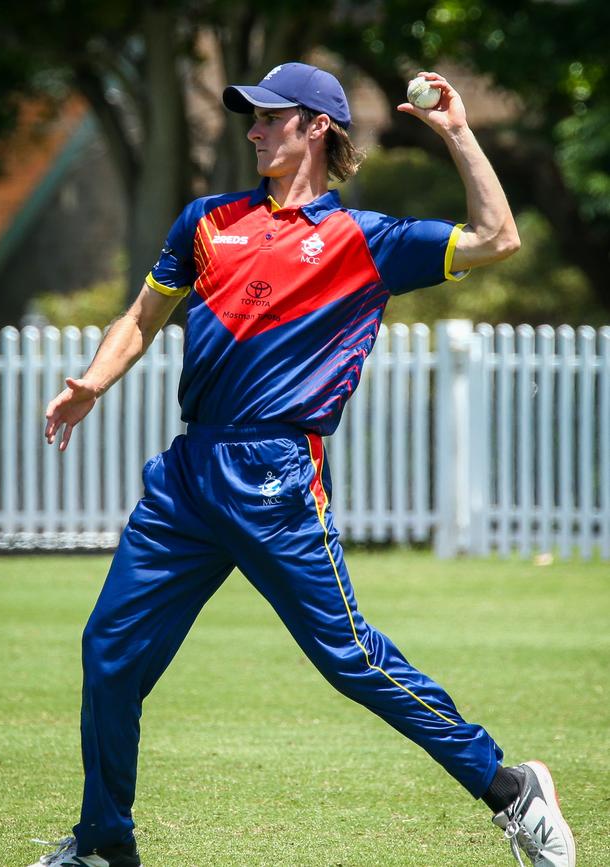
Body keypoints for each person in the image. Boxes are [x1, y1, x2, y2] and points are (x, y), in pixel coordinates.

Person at [34, 62, 575, 867]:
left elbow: (500, 238)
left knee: (350, 659)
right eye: (250, 117)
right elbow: (144, 315)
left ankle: (509, 787)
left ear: (317, 126)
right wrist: (93, 382)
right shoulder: (207, 222)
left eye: (270, 117)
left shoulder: (365, 241)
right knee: (108, 653)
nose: (252, 130)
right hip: (187, 476)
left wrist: (459, 133)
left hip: (277, 476)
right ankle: (105, 843)